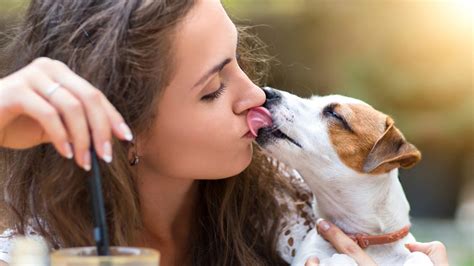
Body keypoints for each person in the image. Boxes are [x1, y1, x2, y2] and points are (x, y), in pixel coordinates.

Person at [0, 0, 449, 265]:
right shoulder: (30, 250)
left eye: (238, 59)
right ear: (125, 127)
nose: (256, 93)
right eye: (213, 89)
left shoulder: (291, 204)